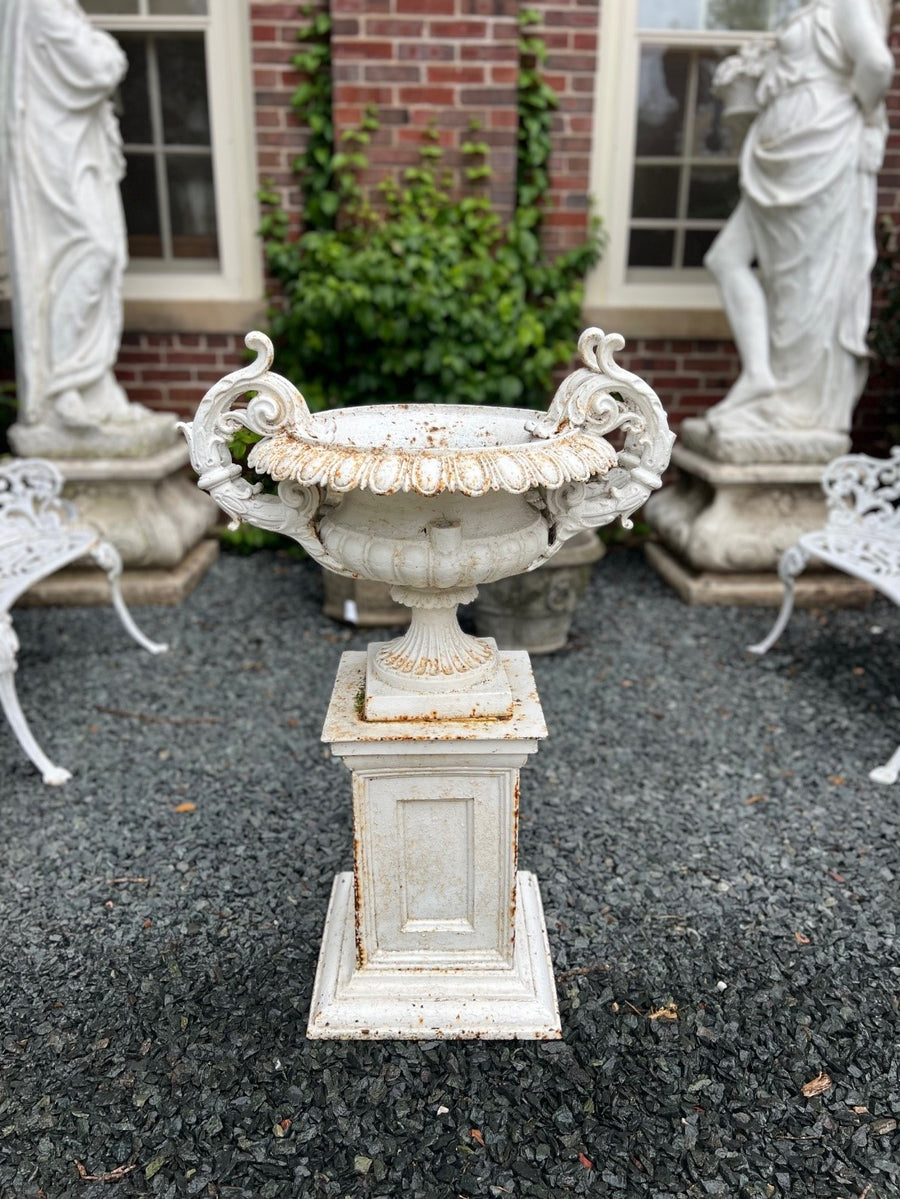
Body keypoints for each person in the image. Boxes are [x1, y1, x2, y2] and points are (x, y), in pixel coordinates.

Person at [700, 0, 893, 444]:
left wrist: (860, 116)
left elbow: (876, 65)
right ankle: (761, 377)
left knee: (804, 281)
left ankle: (795, 404)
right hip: (784, 151)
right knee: (726, 259)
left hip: (819, 147)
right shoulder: (809, 9)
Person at [0, 0, 173, 453]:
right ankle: (63, 389)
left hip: (78, 147)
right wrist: (104, 46)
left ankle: (93, 386)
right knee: (87, 253)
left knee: (107, 253)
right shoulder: (39, 6)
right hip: (55, 155)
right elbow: (98, 66)